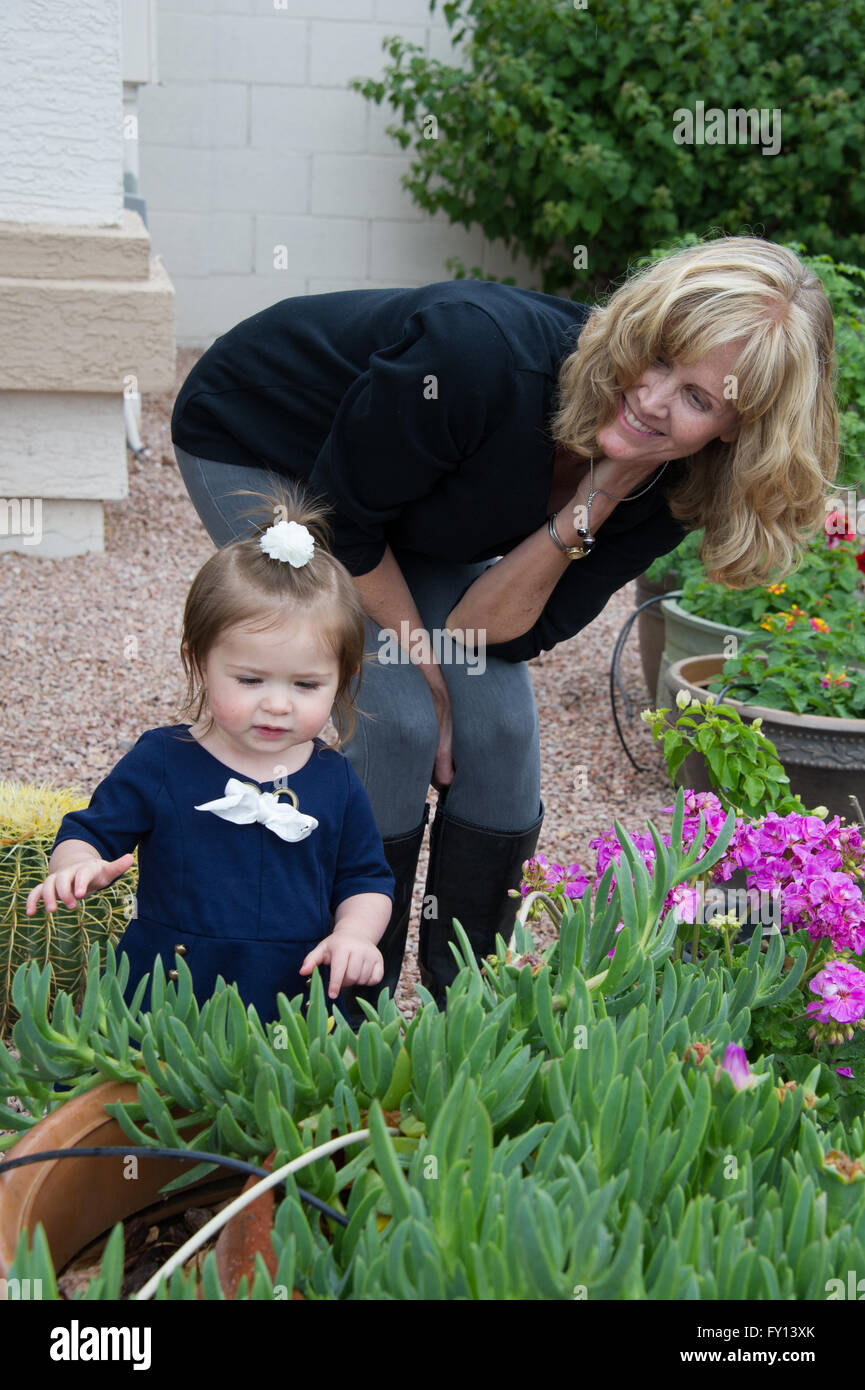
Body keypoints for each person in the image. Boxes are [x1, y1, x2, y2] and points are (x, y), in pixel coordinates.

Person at [168, 235, 839, 1014]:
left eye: (697, 397)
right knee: (397, 722)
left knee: (501, 730)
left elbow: (499, 631)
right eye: (658, 357)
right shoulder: (477, 354)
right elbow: (346, 523)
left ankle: (473, 1005)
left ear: (737, 429)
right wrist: (428, 679)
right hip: (265, 442)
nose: (652, 400)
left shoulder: (677, 481)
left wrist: (603, 491)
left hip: (403, 501)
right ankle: (343, 1009)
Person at [25, 488, 395, 1023]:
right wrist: (77, 867)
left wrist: (354, 935)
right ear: (198, 662)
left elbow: (365, 878)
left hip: (295, 990)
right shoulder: (162, 760)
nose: (276, 704)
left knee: (282, 1103)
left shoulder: (334, 779)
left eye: (306, 684)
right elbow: (88, 832)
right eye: (249, 679)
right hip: (169, 984)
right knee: (150, 1096)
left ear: (341, 680)